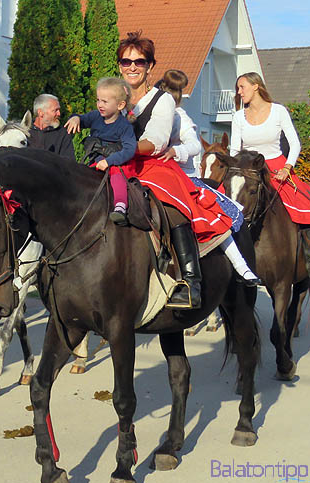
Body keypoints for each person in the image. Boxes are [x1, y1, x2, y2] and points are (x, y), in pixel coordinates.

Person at [115, 31, 234, 309]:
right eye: (126, 61)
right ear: (119, 65)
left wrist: (123, 150)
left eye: (139, 62)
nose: (132, 67)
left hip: (153, 165)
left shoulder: (163, 101)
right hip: (120, 165)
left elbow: (156, 141)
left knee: (172, 205)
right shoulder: (115, 97)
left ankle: (191, 282)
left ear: (150, 67)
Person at [158, 69, 260, 286]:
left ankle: (241, 268)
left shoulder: (180, 117)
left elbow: (194, 144)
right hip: (154, 176)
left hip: (182, 177)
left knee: (213, 219)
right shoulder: (151, 116)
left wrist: (177, 151)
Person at [230, 72, 310, 280]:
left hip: (278, 169)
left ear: (256, 86)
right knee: (222, 207)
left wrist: (287, 167)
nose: (239, 92)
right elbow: (234, 150)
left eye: (242, 87)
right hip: (248, 171)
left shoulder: (278, 111)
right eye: (238, 89)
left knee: (305, 205)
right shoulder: (238, 116)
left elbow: (295, 143)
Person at [64, 77, 137, 225]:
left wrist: (109, 161)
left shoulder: (124, 126)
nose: (99, 105)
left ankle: (120, 205)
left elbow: (130, 149)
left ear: (120, 105)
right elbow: (82, 119)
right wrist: (76, 118)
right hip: (94, 159)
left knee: (117, 176)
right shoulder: (95, 116)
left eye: (105, 101)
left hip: (115, 161)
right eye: (98, 100)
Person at [27, 94, 75, 159]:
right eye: (55, 110)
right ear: (41, 113)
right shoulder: (25, 133)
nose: (59, 113)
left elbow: (69, 163)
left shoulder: (62, 134)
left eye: (59, 110)